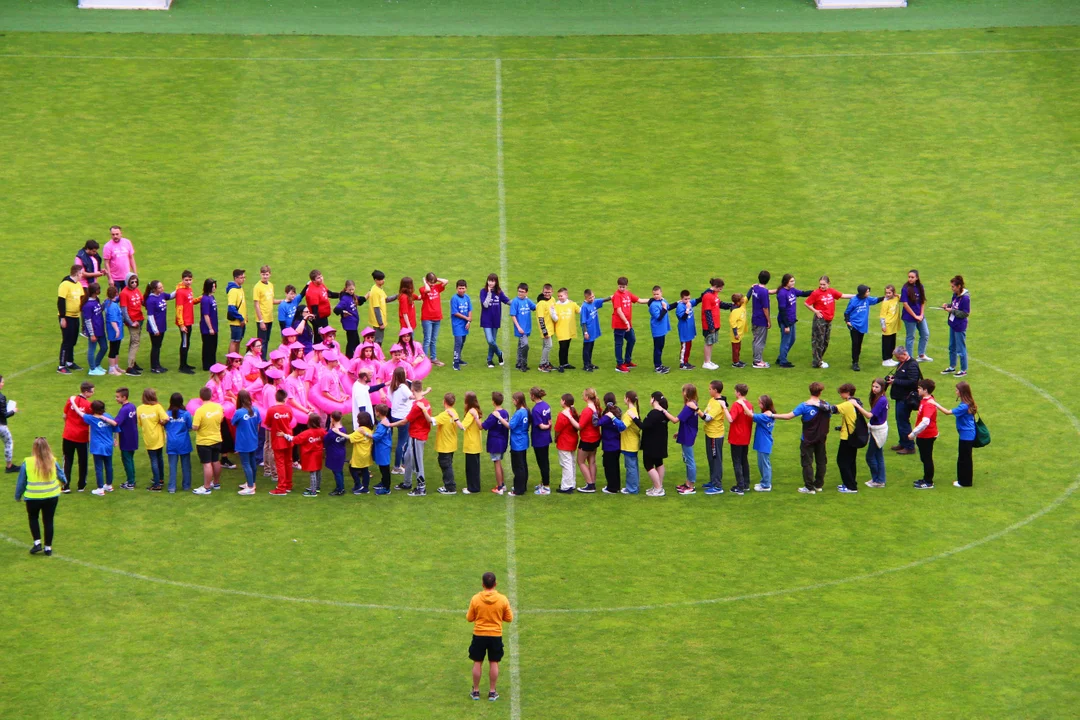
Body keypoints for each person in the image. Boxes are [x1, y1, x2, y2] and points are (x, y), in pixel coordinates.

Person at [772, 382, 833, 494]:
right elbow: (828, 416)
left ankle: (809, 487)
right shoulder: (826, 405)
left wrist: (772, 415)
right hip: (821, 439)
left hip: (807, 439)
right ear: (820, 392)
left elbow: (789, 416)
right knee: (821, 462)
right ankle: (818, 485)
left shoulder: (804, 406)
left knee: (807, 463)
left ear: (810, 391)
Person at [14, 437, 67, 556]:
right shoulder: (52, 461)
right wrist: (64, 482)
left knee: (33, 518)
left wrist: (18, 496)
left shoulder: (27, 462)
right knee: (48, 521)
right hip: (51, 496)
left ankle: (37, 542)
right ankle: (48, 548)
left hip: (33, 497)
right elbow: (61, 474)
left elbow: (21, 482)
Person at [467, 571, 514, 703]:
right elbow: (509, 618)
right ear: (495, 584)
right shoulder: (502, 599)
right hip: (495, 635)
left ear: (483, 584)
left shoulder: (476, 599)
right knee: (494, 662)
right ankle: (492, 692)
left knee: (477, 662)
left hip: (479, 634)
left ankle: (476, 691)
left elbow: (469, 618)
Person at [930, 381, 978, 487]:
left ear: (962, 392)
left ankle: (964, 482)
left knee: (964, 459)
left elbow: (947, 412)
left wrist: (935, 404)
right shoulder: (967, 402)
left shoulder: (964, 406)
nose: (955, 391)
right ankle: (965, 480)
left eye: (957, 390)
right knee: (965, 458)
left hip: (966, 435)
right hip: (967, 434)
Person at [804, 276, 854, 369]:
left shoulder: (831, 291)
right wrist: (815, 311)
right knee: (818, 341)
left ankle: (819, 359)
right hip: (820, 320)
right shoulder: (816, 293)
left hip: (828, 319)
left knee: (825, 341)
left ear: (828, 284)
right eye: (820, 284)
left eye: (824, 284)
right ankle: (817, 362)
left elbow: (842, 295)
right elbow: (807, 303)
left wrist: (856, 296)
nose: (822, 286)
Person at [833, 383, 872, 493]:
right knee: (851, 461)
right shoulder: (857, 402)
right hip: (854, 435)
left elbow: (832, 409)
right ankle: (851, 483)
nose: (840, 394)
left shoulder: (848, 404)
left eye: (842, 392)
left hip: (847, 437)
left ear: (847, 393)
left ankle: (850, 486)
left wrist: (817, 404)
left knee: (842, 461)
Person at [399, 381, 435, 497]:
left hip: (417, 436)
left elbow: (405, 421)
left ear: (413, 390)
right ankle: (407, 482)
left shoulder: (416, 406)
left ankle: (421, 488)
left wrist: (389, 425)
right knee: (408, 457)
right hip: (420, 434)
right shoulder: (425, 402)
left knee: (418, 462)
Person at [887, 347, 922, 455]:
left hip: (906, 398)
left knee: (903, 422)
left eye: (899, 357)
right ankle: (903, 442)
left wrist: (895, 381)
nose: (898, 359)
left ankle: (909, 446)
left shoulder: (912, 365)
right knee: (900, 420)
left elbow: (912, 382)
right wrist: (893, 377)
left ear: (905, 353)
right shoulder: (903, 363)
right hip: (900, 397)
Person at [81, 399, 119, 496]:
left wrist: (73, 402)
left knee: (99, 468)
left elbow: (80, 413)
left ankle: (100, 488)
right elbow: (116, 429)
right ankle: (109, 485)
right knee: (109, 466)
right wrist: (115, 439)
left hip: (97, 447)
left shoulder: (91, 418)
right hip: (108, 446)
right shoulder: (108, 416)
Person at [611, 276, 649, 373]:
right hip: (619, 324)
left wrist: (653, 299)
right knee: (619, 344)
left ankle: (627, 361)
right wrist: (626, 322)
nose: (622, 288)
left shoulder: (628, 294)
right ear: (617, 286)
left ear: (627, 286)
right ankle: (619, 364)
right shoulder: (617, 295)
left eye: (623, 287)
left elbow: (639, 300)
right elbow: (619, 311)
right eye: (620, 287)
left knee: (632, 340)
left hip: (627, 325)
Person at [699, 380, 730, 495]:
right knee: (711, 458)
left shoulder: (717, 404)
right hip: (710, 433)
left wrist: (697, 410)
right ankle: (713, 481)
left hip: (715, 435)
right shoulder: (713, 400)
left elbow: (707, 418)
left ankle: (717, 486)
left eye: (710, 389)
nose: (709, 390)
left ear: (715, 390)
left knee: (716, 460)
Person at [191, 387, 225, 495]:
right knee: (216, 461)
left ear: (200, 397)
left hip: (204, 441)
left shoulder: (200, 411)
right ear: (211, 395)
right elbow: (221, 419)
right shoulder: (218, 407)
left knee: (207, 464)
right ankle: (216, 483)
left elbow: (195, 427)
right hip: (217, 439)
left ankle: (206, 487)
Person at [284, 413, 327, 498]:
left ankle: (313, 491)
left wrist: (284, 435)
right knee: (318, 470)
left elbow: (295, 439)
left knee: (312, 472)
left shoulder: (306, 433)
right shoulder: (322, 431)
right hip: (318, 454)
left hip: (310, 455)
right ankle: (317, 487)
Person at [774, 274, 812, 369]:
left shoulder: (792, 290)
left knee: (792, 339)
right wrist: (786, 325)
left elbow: (803, 293)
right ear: (786, 282)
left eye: (793, 281)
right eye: (791, 281)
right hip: (785, 321)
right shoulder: (782, 293)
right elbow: (782, 310)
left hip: (791, 320)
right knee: (785, 341)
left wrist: (816, 291)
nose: (793, 282)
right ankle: (783, 361)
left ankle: (781, 357)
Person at [61, 382, 94, 491]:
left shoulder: (71, 400)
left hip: (68, 435)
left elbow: (64, 415)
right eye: (92, 391)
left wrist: (70, 424)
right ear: (86, 392)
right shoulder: (89, 405)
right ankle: (81, 485)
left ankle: (65, 486)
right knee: (83, 461)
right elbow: (91, 420)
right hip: (82, 437)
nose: (93, 393)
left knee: (67, 460)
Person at [843, 285, 882, 372]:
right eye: (867, 292)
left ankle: (856, 360)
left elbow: (876, 300)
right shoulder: (853, 301)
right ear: (862, 293)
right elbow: (847, 312)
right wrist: (847, 321)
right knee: (855, 343)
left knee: (859, 343)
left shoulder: (867, 299)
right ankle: (855, 363)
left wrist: (886, 297)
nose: (868, 293)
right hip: (854, 326)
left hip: (862, 326)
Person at [909, 379, 939, 489]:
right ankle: (926, 478)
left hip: (927, 435)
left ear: (925, 390)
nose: (918, 389)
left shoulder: (928, 404)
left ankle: (928, 482)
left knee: (927, 458)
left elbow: (925, 421)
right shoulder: (926, 400)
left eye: (920, 388)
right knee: (924, 458)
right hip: (924, 434)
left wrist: (913, 433)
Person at [231, 390, 262, 495]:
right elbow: (258, 424)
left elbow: (233, 423)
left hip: (243, 442)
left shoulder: (239, 412)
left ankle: (250, 487)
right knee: (252, 462)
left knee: (246, 464)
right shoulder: (256, 410)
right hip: (253, 439)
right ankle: (252, 482)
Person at [641, 391, 671, 496]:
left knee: (648, 464)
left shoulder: (653, 413)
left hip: (651, 443)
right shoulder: (664, 412)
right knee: (659, 463)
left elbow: (643, 426)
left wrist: (634, 418)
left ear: (654, 399)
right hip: (661, 442)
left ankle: (658, 488)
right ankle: (659, 486)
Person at [699, 278, 733, 371]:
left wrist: (731, 305)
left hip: (715, 323)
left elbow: (719, 304)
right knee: (708, 343)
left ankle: (709, 361)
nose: (721, 290)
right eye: (720, 288)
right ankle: (706, 362)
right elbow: (707, 312)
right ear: (715, 287)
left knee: (711, 343)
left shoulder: (714, 294)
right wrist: (711, 326)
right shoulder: (707, 296)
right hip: (710, 325)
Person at [434, 394, 464, 495]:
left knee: (446, 465)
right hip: (451, 444)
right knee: (448, 464)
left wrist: (424, 410)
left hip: (444, 446)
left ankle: (450, 487)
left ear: (444, 402)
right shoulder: (454, 412)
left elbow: (432, 421)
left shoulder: (444, 415)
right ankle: (448, 485)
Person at [940, 275, 970, 377]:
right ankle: (952, 366)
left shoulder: (965, 298)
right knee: (951, 347)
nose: (951, 288)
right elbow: (954, 305)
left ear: (959, 286)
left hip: (960, 326)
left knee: (961, 349)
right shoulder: (955, 295)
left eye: (953, 286)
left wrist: (951, 310)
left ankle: (963, 369)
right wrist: (947, 306)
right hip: (953, 324)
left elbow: (965, 313)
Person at [57, 265, 85, 374]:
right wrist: (62, 318)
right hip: (67, 317)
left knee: (73, 340)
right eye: (81, 273)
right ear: (77, 273)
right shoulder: (65, 285)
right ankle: (61, 365)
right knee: (67, 341)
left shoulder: (78, 285)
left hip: (75, 316)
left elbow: (81, 299)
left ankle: (70, 361)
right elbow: (61, 301)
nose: (82, 275)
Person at [478, 274, 510, 368]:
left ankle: (489, 360)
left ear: (496, 282)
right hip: (486, 320)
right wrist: (489, 293)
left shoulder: (499, 292)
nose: (491, 283)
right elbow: (485, 305)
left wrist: (519, 302)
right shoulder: (483, 292)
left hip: (495, 320)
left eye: (493, 281)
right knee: (490, 340)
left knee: (493, 341)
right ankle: (500, 354)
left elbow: (507, 301)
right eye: (489, 280)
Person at [267, 389, 296, 496]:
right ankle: (288, 485)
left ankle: (281, 488)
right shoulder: (289, 410)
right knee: (288, 462)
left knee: (280, 464)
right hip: (288, 438)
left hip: (278, 440)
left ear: (276, 397)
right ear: (285, 398)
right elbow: (290, 420)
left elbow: (267, 423)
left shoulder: (271, 410)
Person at [673, 384, 699, 495]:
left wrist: (663, 411)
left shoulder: (689, 405)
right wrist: (680, 432)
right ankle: (688, 483)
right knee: (688, 459)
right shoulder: (693, 404)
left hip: (687, 435)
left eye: (684, 391)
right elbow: (689, 421)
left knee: (689, 460)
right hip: (687, 433)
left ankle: (691, 486)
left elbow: (675, 420)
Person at [727, 383, 753, 495]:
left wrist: (724, 408)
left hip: (736, 437)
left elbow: (731, 419)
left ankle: (740, 486)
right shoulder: (749, 405)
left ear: (738, 393)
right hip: (746, 436)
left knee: (737, 461)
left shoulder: (736, 405)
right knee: (744, 460)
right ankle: (746, 483)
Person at [144, 279, 175, 374]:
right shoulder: (150, 300)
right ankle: (154, 367)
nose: (162, 288)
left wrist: (180, 287)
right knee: (155, 346)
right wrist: (155, 329)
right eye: (160, 287)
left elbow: (170, 296)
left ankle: (158, 365)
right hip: (155, 328)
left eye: (162, 286)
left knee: (158, 346)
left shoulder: (161, 295)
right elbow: (150, 316)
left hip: (162, 326)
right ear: (154, 289)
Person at [901, 269, 932, 363]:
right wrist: (915, 316)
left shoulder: (920, 287)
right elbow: (905, 304)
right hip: (909, 317)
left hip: (920, 316)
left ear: (917, 278)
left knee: (925, 334)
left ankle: (921, 354)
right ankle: (909, 358)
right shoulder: (905, 288)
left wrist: (921, 314)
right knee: (910, 337)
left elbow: (923, 301)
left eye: (912, 277)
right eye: (909, 277)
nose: (910, 279)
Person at [482, 391, 510, 494]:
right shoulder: (505, 412)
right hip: (503, 441)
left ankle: (499, 488)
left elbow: (483, 426)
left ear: (493, 402)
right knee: (499, 462)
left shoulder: (494, 415)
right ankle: (502, 484)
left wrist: (476, 418)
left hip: (495, 442)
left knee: (497, 463)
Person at [747, 270, 775, 369]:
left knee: (756, 339)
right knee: (760, 341)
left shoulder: (755, 287)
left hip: (755, 317)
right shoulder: (763, 292)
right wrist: (768, 320)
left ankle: (758, 359)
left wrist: (779, 289)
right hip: (761, 319)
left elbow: (768, 291)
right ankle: (757, 361)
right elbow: (765, 308)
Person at [165, 393, 193, 493]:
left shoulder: (167, 414)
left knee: (172, 466)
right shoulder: (186, 414)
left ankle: (171, 487)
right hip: (184, 442)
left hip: (172, 443)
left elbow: (164, 425)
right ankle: (186, 486)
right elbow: (190, 427)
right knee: (186, 465)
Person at [864, 379, 890, 488]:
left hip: (878, 431)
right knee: (878, 455)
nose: (874, 389)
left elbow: (870, 415)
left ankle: (877, 480)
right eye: (873, 386)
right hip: (877, 429)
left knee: (870, 456)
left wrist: (857, 406)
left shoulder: (882, 400)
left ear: (882, 388)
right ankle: (880, 480)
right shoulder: (878, 398)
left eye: (876, 387)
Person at [597, 392, 624, 494]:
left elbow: (598, 423)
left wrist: (595, 413)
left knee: (609, 466)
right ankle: (615, 486)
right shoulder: (617, 410)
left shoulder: (609, 414)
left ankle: (611, 488)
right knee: (615, 466)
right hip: (617, 443)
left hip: (609, 445)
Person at [504, 392, 531, 496]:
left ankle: (518, 489)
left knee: (518, 467)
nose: (513, 401)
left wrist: (500, 418)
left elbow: (511, 425)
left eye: (514, 400)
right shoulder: (526, 410)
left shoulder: (519, 412)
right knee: (523, 465)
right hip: (523, 441)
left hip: (517, 442)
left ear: (518, 401)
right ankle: (522, 486)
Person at [113, 387, 139, 489]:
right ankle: (131, 480)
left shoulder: (124, 410)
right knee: (130, 459)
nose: (116, 399)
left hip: (126, 438)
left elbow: (116, 422)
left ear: (124, 397)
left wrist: (104, 418)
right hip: (133, 436)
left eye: (118, 397)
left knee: (127, 459)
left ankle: (131, 482)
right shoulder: (132, 406)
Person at [575, 388, 601, 492]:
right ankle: (592, 482)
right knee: (592, 461)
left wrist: (570, 418)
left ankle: (590, 485)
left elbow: (580, 426)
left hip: (587, 439)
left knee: (580, 461)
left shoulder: (587, 410)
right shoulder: (598, 408)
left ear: (586, 397)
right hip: (596, 437)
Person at [119, 272, 145, 376]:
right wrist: (130, 322)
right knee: (135, 342)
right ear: (127, 282)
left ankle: (133, 363)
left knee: (134, 342)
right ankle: (130, 367)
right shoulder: (124, 293)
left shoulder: (137, 290)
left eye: (135, 281)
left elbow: (142, 301)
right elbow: (124, 310)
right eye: (132, 282)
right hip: (133, 321)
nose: (134, 283)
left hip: (139, 319)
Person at [420, 272, 449, 366]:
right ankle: (424, 360)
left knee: (434, 339)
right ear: (427, 281)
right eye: (430, 282)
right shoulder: (423, 289)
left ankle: (433, 358)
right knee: (427, 339)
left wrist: (436, 279)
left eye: (433, 282)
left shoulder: (437, 287)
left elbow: (446, 281)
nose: (432, 284)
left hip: (437, 318)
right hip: (427, 318)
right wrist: (425, 281)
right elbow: (427, 290)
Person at [554, 394, 580, 494]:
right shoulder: (573, 412)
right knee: (571, 462)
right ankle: (571, 483)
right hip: (573, 440)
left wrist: (556, 437)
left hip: (564, 441)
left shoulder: (563, 415)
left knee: (566, 464)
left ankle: (566, 486)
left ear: (564, 402)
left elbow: (557, 429)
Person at [550, 288, 581, 373]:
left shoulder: (572, 304)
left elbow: (580, 311)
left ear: (566, 295)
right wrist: (552, 311)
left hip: (569, 330)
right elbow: (555, 319)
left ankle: (565, 363)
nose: (560, 297)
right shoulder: (556, 305)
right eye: (559, 296)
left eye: (561, 296)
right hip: (561, 330)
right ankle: (561, 364)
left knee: (567, 346)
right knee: (562, 347)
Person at [253, 265, 280, 358]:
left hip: (269, 318)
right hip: (262, 319)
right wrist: (261, 321)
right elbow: (256, 304)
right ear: (260, 274)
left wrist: (283, 301)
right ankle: (261, 360)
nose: (265, 276)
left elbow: (271, 301)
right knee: (261, 342)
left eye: (267, 274)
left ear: (270, 275)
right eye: (263, 274)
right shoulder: (257, 287)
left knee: (266, 340)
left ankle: (263, 359)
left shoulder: (271, 285)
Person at [174, 270, 198, 374]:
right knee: (184, 343)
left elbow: (190, 302)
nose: (188, 282)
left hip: (189, 321)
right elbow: (179, 308)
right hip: (184, 322)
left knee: (187, 343)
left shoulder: (189, 289)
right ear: (182, 279)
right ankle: (182, 366)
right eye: (186, 280)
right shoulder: (180, 292)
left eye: (190, 280)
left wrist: (200, 299)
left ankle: (185, 364)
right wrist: (181, 324)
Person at [529, 387, 552, 494]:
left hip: (539, 439)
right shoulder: (546, 405)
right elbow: (550, 421)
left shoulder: (536, 409)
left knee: (542, 463)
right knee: (544, 461)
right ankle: (543, 483)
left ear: (533, 396)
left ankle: (546, 487)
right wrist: (549, 426)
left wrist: (547, 426)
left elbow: (542, 426)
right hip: (545, 438)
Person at [509, 283, 536, 372]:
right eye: (519, 291)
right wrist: (518, 327)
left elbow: (536, 307)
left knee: (521, 346)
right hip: (520, 329)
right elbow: (513, 315)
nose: (520, 293)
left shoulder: (527, 301)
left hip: (527, 328)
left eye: (522, 292)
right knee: (525, 345)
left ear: (526, 293)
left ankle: (518, 363)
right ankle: (523, 364)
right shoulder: (515, 302)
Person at [334, 279, 365, 357]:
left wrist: (368, 294)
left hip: (353, 324)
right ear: (346, 289)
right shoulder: (345, 298)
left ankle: (354, 355)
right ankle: (350, 357)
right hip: (349, 324)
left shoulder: (352, 296)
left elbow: (360, 299)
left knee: (354, 341)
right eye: (350, 289)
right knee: (352, 341)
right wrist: (342, 312)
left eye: (353, 289)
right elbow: (336, 309)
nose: (351, 291)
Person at [579, 289, 608, 372]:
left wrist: (612, 297)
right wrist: (585, 332)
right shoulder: (584, 307)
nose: (592, 299)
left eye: (592, 296)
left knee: (591, 346)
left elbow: (603, 300)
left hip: (593, 330)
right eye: (590, 298)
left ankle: (589, 363)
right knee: (587, 348)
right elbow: (583, 321)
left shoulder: (594, 302)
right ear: (586, 298)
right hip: (588, 331)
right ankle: (586, 365)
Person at [81, 282, 106, 375]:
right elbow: (88, 320)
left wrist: (104, 303)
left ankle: (97, 364)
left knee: (104, 347)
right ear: (95, 291)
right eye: (98, 289)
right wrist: (91, 334)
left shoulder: (96, 300)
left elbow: (98, 311)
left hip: (100, 329)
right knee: (92, 349)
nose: (100, 290)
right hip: (94, 331)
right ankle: (92, 369)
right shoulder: (87, 305)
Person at [752, 395, 776, 492]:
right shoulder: (769, 414)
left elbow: (751, 415)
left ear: (764, 404)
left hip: (763, 443)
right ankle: (764, 482)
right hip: (765, 442)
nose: (758, 404)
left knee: (764, 464)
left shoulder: (764, 416)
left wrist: (742, 404)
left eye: (760, 402)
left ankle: (766, 485)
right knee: (762, 464)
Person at [347, 410, 374, 495]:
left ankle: (358, 485)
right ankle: (364, 487)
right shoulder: (369, 430)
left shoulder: (360, 431)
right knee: (365, 470)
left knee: (352, 468)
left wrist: (338, 432)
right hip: (366, 454)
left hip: (359, 454)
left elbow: (349, 437)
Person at [322, 411, 349, 496]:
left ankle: (340, 489)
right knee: (339, 471)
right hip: (341, 452)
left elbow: (325, 440)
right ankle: (340, 487)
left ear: (332, 418)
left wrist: (330, 428)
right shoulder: (343, 429)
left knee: (337, 472)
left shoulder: (331, 432)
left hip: (334, 453)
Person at [620, 391, 642, 494]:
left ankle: (632, 488)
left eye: (624, 397)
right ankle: (634, 486)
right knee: (633, 466)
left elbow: (623, 426)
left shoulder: (630, 412)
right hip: (632, 443)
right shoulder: (634, 410)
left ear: (628, 399)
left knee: (630, 467)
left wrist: (613, 418)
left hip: (629, 444)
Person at [461, 392, 483, 494]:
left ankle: (473, 488)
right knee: (474, 467)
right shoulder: (476, 410)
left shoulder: (471, 412)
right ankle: (474, 486)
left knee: (471, 468)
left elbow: (463, 426)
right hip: (475, 443)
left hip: (471, 444)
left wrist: (454, 419)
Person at [648, 285, 672, 374]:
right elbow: (659, 317)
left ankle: (660, 364)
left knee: (660, 347)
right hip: (657, 330)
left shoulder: (663, 300)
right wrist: (664, 308)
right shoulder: (653, 305)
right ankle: (657, 367)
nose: (656, 296)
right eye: (654, 294)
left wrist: (677, 303)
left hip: (662, 329)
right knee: (657, 348)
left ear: (661, 293)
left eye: (657, 294)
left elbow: (669, 307)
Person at [371, 404, 394, 495]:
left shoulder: (382, 425)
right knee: (382, 467)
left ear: (378, 413)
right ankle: (383, 482)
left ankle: (387, 488)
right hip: (384, 447)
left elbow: (377, 437)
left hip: (382, 448)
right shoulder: (385, 421)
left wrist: (366, 434)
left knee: (385, 468)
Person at [450, 280, 473, 371]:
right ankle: (455, 362)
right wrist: (466, 318)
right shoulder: (454, 298)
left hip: (464, 324)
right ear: (456, 289)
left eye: (463, 288)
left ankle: (458, 358)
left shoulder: (467, 297)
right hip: (457, 325)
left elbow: (470, 310)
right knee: (458, 342)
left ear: (466, 288)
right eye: (459, 288)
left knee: (463, 341)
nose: (461, 290)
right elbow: (455, 312)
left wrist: (469, 321)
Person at [675, 290, 698, 370]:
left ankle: (686, 361)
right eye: (685, 299)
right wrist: (687, 309)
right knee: (684, 347)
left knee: (688, 346)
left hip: (689, 330)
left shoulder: (689, 303)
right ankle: (682, 364)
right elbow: (683, 317)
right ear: (681, 299)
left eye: (689, 298)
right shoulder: (680, 307)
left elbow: (697, 300)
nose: (688, 300)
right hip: (684, 330)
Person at [226, 268, 247, 356]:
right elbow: (231, 308)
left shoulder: (240, 288)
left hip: (241, 321)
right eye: (241, 277)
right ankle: (231, 361)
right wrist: (241, 318)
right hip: (236, 322)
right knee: (234, 341)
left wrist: (246, 316)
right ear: (236, 278)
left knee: (238, 341)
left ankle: (236, 359)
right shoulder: (233, 290)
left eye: (244, 277)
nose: (243, 279)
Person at [104, 285, 125, 376]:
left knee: (116, 349)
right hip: (114, 331)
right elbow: (113, 320)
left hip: (116, 329)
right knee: (113, 349)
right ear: (116, 294)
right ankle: (111, 369)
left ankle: (116, 366)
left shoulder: (108, 302)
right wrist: (117, 330)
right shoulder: (112, 306)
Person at [535, 284, 556, 373]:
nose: (547, 294)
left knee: (545, 346)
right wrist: (544, 332)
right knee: (549, 345)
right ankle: (542, 364)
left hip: (551, 328)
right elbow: (540, 318)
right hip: (545, 329)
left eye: (549, 292)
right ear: (542, 292)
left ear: (552, 292)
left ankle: (546, 363)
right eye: (545, 292)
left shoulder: (553, 299)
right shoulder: (541, 303)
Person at [200, 277, 219, 371]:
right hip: (207, 328)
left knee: (213, 345)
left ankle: (212, 362)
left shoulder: (211, 297)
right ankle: (207, 365)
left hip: (214, 326)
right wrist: (210, 328)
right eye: (213, 286)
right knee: (208, 346)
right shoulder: (205, 299)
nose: (215, 288)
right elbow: (206, 315)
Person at [879, 284, 901, 367]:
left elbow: (903, 296)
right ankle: (885, 359)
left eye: (889, 293)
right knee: (886, 342)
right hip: (888, 324)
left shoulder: (896, 298)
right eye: (886, 293)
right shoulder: (885, 302)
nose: (887, 294)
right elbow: (882, 316)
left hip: (894, 325)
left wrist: (896, 295)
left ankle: (890, 358)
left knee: (892, 342)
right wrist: (883, 325)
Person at [0, 375, 18, 473]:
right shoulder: (1, 397)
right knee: (9, 442)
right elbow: (4, 414)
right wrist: (13, 411)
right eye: (2, 382)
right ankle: (9, 466)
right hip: (1, 426)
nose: (3, 383)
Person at [367, 270, 389, 346]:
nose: (383, 281)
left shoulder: (379, 288)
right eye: (381, 279)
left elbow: (386, 299)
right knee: (378, 340)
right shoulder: (375, 291)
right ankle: (376, 356)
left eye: (383, 279)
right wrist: (380, 323)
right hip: (378, 322)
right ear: (376, 280)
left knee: (378, 339)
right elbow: (376, 309)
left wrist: (397, 296)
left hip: (380, 320)